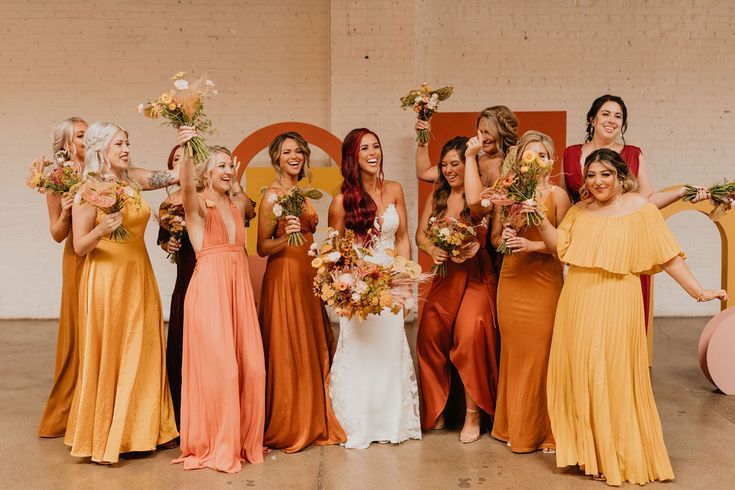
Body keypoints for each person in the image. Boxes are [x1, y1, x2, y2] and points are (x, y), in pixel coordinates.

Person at [536, 148, 727, 485]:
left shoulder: (640, 208)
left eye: (605, 174)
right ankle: (589, 454)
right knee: (581, 374)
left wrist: (698, 291)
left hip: (618, 301)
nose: (597, 182)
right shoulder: (579, 211)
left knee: (613, 374)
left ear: (621, 176)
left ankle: (618, 454)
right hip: (577, 301)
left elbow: (668, 256)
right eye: (591, 175)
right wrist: (538, 220)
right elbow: (560, 248)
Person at [67, 122, 179, 464]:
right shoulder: (88, 188)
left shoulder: (134, 179)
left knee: (143, 345)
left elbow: (175, 176)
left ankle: (146, 429)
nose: (126, 149)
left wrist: (184, 138)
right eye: (118, 144)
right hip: (106, 279)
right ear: (102, 148)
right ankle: (110, 431)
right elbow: (79, 245)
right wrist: (101, 228)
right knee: (114, 350)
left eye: (127, 142)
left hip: (138, 274)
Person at [560, 94, 710, 331]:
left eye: (618, 116)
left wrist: (684, 191)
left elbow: (647, 201)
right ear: (592, 119)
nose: (612, 120)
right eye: (606, 114)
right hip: (584, 246)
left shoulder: (632, 153)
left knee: (620, 327)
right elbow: (562, 201)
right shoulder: (570, 154)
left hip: (621, 246)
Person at [471, 130, 570, 453]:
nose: (537, 161)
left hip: (544, 283)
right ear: (520, 159)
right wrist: (510, 237)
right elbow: (496, 239)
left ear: (550, 160)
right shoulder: (507, 194)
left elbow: (566, 247)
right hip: (513, 281)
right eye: (531, 155)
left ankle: (544, 431)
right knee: (514, 354)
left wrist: (532, 244)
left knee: (541, 356)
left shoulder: (558, 196)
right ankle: (514, 426)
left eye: (543, 155)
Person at [172, 134, 263, 473]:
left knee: (254, 368)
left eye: (230, 165)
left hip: (238, 290)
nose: (227, 170)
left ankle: (242, 439)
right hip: (210, 290)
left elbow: (247, 203)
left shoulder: (235, 204)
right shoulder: (197, 205)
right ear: (204, 172)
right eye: (220, 166)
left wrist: (235, 182)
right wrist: (186, 151)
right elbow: (185, 187)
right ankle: (217, 442)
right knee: (223, 372)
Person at [327, 127, 421, 449]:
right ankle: (360, 423)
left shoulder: (394, 189)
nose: (373, 152)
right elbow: (334, 252)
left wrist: (406, 283)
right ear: (352, 157)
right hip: (360, 288)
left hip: (393, 283)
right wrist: (348, 287)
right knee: (361, 351)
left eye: (376, 146)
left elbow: (404, 237)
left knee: (389, 350)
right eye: (364, 148)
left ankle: (391, 423)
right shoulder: (341, 202)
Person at [257, 132, 345, 452]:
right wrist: (287, 237)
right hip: (284, 276)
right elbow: (262, 247)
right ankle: (291, 419)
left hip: (308, 274)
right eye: (286, 152)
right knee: (288, 344)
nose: (293, 156)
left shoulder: (303, 193)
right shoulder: (271, 197)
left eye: (298, 151)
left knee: (311, 342)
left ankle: (315, 411)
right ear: (276, 159)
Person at [415, 136, 499, 444]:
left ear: (469, 165)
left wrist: (477, 245)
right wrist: (433, 249)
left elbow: (489, 229)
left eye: (456, 163)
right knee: (428, 335)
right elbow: (420, 235)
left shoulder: (480, 195)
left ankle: (473, 413)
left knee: (471, 335)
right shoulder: (437, 195)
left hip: (475, 276)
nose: (450, 170)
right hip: (445, 275)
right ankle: (436, 407)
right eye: (445, 164)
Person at [38, 116, 88, 438]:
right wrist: (68, 212)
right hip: (78, 258)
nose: (88, 139)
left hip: (109, 252)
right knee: (81, 330)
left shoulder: (101, 168)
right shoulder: (56, 178)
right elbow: (56, 234)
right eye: (82, 135)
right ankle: (75, 409)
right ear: (67, 143)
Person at [156, 145, 193, 430]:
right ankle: (181, 416)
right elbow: (162, 239)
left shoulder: (207, 197)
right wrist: (167, 243)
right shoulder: (168, 204)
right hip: (185, 277)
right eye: (176, 159)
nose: (182, 164)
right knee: (181, 344)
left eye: (187, 158)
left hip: (209, 271)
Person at [415, 105, 518, 187]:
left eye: (488, 132)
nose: (484, 138)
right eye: (481, 132)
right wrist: (423, 139)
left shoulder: (519, 162)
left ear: (503, 132)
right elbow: (424, 173)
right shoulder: (473, 159)